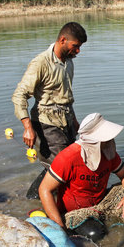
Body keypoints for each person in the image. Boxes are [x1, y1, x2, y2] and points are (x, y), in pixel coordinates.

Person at [38, 113, 124, 229]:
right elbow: (44, 189)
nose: (111, 140)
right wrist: (59, 225)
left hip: (98, 205)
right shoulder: (68, 158)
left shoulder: (108, 152)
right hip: (73, 213)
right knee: (96, 233)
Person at [12, 22, 87, 164]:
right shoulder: (41, 62)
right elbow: (19, 95)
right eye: (75, 46)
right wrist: (28, 128)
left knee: (73, 164)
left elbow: (66, 97)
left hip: (66, 122)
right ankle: (44, 187)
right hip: (47, 125)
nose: (78, 51)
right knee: (61, 167)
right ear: (63, 40)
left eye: (79, 47)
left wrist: (75, 121)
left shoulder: (68, 63)